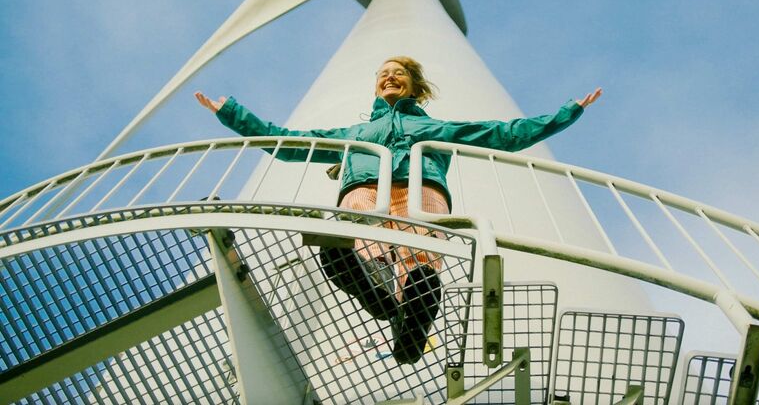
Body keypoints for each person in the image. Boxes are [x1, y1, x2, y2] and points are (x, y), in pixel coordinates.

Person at [195, 56, 601, 364]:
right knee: (365, 243)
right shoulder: (354, 133)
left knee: (419, 253)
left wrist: (567, 113)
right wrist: (232, 114)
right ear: (376, 87)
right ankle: (380, 294)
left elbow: (502, 134)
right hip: (363, 189)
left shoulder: (434, 128)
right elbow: (289, 142)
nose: (389, 76)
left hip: (421, 189)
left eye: (399, 73)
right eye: (383, 73)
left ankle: (410, 309)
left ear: (414, 87)